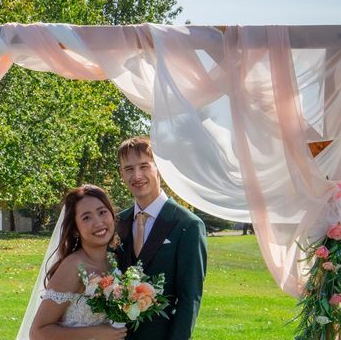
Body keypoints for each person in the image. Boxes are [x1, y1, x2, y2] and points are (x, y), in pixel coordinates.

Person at [115, 136, 207, 340]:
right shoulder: (117, 223)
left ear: (159, 169)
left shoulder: (188, 225)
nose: (137, 175)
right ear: (122, 174)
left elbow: (189, 298)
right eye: (129, 169)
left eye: (144, 166)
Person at [29, 185, 127, 340]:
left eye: (102, 212)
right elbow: (38, 332)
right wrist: (98, 333)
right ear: (75, 229)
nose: (98, 222)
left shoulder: (114, 260)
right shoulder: (73, 267)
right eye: (86, 217)